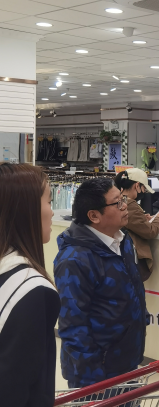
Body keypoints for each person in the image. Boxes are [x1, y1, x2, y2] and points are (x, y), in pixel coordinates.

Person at [54, 178, 147, 389]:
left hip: (127, 359)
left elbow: (131, 289)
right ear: (94, 216)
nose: (125, 206)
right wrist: (92, 377)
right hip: (96, 372)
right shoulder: (75, 259)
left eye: (123, 199)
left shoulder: (122, 240)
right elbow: (72, 324)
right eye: (117, 203)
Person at [0, 164, 59, 407]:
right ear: (26, 210)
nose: (52, 212)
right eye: (49, 202)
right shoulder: (32, 290)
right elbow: (13, 390)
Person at [115, 168, 159, 281]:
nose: (144, 192)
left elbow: (129, 223)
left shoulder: (119, 201)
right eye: (144, 188)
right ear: (137, 185)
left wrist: (142, 218)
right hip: (130, 259)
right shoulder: (129, 204)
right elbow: (150, 231)